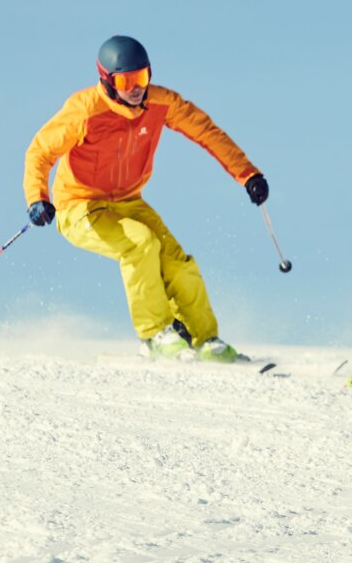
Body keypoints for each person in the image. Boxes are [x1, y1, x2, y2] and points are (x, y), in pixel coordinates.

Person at [23, 35, 269, 362]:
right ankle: (154, 335)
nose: (136, 88)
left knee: (175, 261)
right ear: (108, 81)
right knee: (140, 244)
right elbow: (40, 152)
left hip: (128, 201)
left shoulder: (159, 103)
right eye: (127, 81)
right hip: (78, 207)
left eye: (142, 77)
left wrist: (247, 173)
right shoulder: (84, 110)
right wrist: (37, 197)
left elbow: (205, 130)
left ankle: (205, 340)